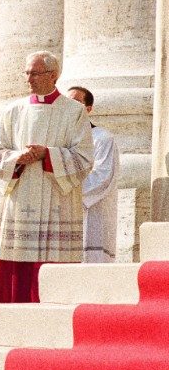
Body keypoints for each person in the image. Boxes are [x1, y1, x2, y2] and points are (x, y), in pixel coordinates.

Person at [0, 51, 93, 302]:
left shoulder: (74, 111)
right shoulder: (14, 110)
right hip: (22, 196)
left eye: (35, 73)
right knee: (17, 266)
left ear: (53, 75)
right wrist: (16, 158)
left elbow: (85, 158)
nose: (29, 79)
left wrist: (48, 154)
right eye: (27, 73)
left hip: (57, 199)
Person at [68, 86, 120, 263]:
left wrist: (68, 191)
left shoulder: (103, 138)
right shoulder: (60, 140)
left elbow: (103, 177)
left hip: (93, 213)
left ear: (88, 109)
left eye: (76, 102)